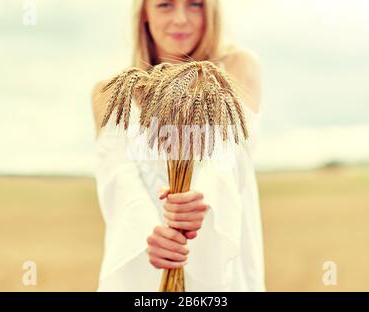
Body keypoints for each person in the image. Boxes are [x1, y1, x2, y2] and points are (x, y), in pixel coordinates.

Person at [91, 0, 265, 291]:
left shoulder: (237, 67)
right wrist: (150, 234)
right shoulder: (109, 91)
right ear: (144, 12)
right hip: (142, 264)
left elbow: (232, 152)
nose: (181, 19)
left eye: (195, 5)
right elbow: (117, 177)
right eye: (165, 5)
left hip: (217, 263)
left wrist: (203, 197)